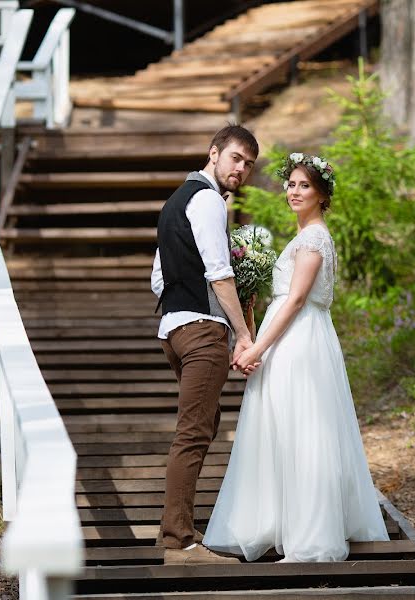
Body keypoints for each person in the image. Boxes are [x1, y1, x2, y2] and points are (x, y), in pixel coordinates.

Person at [203, 153, 389, 562]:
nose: (294, 191)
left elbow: (297, 299)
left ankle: (310, 531)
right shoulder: (302, 236)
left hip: (300, 340)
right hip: (289, 334)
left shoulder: (314, 238)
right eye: (291, 184)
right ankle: (276, 519)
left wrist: (256, 347)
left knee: (301, 426)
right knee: (280, 425)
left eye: (304, 185)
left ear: (322, 194)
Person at [150, 124, 259, 565]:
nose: (242, 169)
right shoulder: (209, 199)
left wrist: (181, 308)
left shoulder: (175, 200)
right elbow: (218, 271)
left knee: (201, 426)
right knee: (194, 433)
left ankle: (183, 529)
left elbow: (157, 276)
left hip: (174, 330)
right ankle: (178, 541)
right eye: (236, 158)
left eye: (249, 164)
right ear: (213, 154)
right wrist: (243, 333)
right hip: (201, 331)